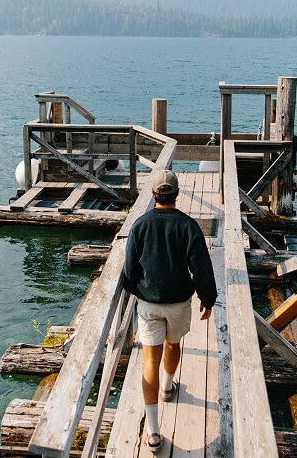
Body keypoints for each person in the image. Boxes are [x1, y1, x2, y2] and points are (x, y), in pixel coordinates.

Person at [122, 169, 217, 452]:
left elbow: (129, 269)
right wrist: (208, 299)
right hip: (178, 303)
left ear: (153, 194)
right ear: (177, 194)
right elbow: (201, 268)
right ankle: (167, 386)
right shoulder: (189, 226)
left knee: (149, 361)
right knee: (173, 344)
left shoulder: (140, 225)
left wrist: (135, 291)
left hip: (149, 303)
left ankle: (152, 432)